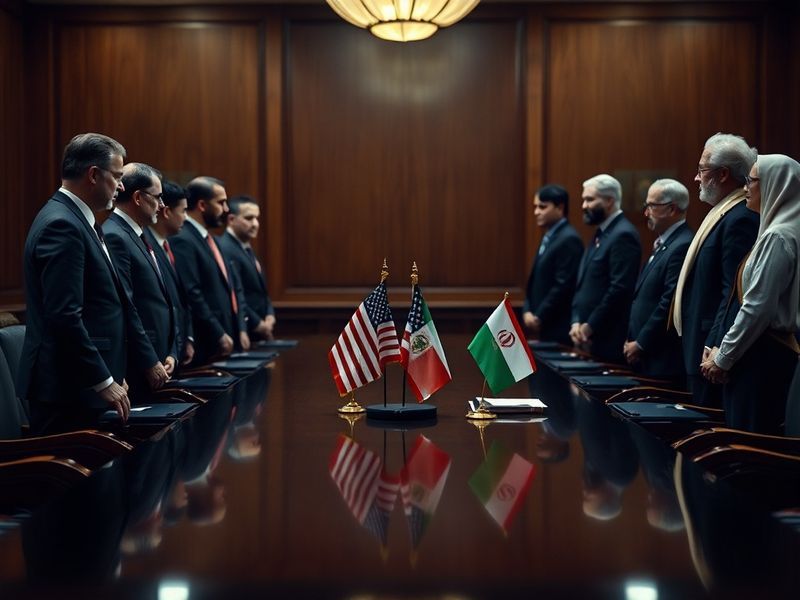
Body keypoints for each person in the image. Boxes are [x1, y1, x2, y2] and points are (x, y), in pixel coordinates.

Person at [18, 133, 142, 432]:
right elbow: (64, 316)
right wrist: (103, 380)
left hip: (80, 386)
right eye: (117, 176)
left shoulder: (76, 218)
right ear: (93, 175)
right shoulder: (63, 224)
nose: (121, 186)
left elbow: (97, 307)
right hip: (68, 391)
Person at [701, 154, 800, 434]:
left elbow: (757, 307)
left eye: (752, 180)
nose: (746, 187)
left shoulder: (777, 236)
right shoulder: (784, 230)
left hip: (763, 357)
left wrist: (724, 357)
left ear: (774, 185)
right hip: (769, 353)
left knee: (749, 445)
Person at [671, 133, 759, 407]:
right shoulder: (721, 213)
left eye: (701, 170)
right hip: (699, 347)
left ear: (722, 174)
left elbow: (733, 292)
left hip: (711, 351)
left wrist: (716, 346)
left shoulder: (740, 219)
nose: (696, 178)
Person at [103, 162, 173, 399]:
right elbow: (127, 304)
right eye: (158, 197)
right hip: (138, 366)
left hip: (159, 358)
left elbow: (162, 298)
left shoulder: (138, 232)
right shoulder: (115, 235)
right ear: (138, 198)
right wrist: (149, 360)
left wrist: (171, 351)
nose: (162, 205)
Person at [169, 176, 249, 364]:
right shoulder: (183, 237)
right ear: (202, 205)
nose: (227, 209)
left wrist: (239, 329)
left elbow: (230, 287)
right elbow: (192, 292)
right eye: (221, 202)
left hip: (225, 337)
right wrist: (218, 333)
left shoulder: (210, 238)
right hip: (206, 342)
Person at [624, 179, 693, 380]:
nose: (646, 213)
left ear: (672, 209)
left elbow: (668, 302)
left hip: (661, 357)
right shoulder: (665, 243)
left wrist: (641, 342)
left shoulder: (682, 245)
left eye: (651, 206)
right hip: (644, 355)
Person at [570, 174, 641, 363]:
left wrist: (590, 325)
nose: (584, 205)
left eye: (590, 199)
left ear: (609, 201)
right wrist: (576, 321)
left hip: (608, 338)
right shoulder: (601, 232)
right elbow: (583, 282)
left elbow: (620, 289)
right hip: (588, 337)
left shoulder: (623, 234)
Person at [522, 184, 583, 345]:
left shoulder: (569, 239)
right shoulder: (549, 235)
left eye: (542, 207)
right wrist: (527, 309)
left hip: (558, 326)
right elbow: (535, 279)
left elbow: (563, 284)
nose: (536, 212)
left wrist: (539, 316)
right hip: (543, 323)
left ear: (560, 207)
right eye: (535, 207)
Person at [147, 180, 195, 366]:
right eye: (183, 211)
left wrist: (189, 337)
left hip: (177, 348)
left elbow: (182, 300)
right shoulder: (147, 243)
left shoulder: (168, 245)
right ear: (166, 212)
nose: (186, 217)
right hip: (160, 353)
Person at [217, 195, 277, 341]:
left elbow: (260, 291)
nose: (255, 224)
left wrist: (270, 314)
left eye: (257, 218)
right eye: (249, 218)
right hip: (244, 332)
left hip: (259, 331)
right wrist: (258, 323)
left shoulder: (245, 247)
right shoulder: (225, 248)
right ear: (231, 220)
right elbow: (236, 294)